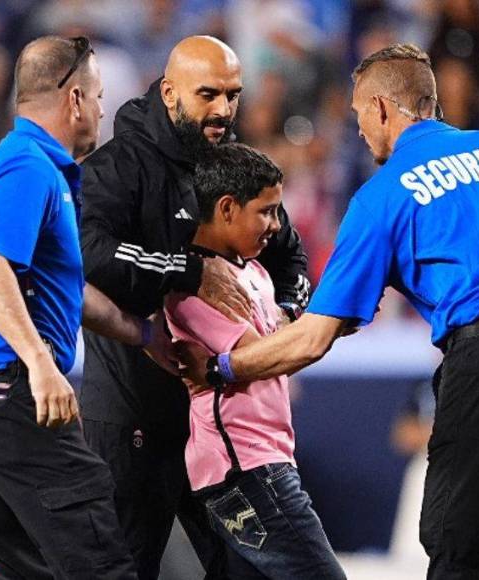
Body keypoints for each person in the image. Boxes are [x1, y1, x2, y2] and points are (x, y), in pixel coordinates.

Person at [179, 43, 479, 579]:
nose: (359, 130)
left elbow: (315, 336)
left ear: (382, 108)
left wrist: (223, 367)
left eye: (360, 114)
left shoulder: (382, 196)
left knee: (457, 549)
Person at [77, 36, 311, 578]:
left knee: (249, 571)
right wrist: (190, 269)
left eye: (233, 95)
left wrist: (284, 317)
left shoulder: (230, 163)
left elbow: (290, 253)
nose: (223, 110)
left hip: (219, 428)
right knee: (123, 568)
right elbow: (88, 256)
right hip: (135, 414)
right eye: (208, 94)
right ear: (169, 91)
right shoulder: (119, 167)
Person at [0, 35, 172, 580]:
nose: (105, 109)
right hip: (10, 388)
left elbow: (68, 289)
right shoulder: (26, 166)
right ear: (75, 99)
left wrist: (142, 334)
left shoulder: (33, 167)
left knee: (28, 566)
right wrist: (39, 365)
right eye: (101, 96)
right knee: (100, 560)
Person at [163, 143, 346, 579]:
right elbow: (268, 355)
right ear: (226, 208)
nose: (276, 226)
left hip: (263, 461)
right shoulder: (200, 286)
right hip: (244, 469)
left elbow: (280, 343)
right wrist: (333, 320)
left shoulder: (257, 273)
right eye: (266, 212)